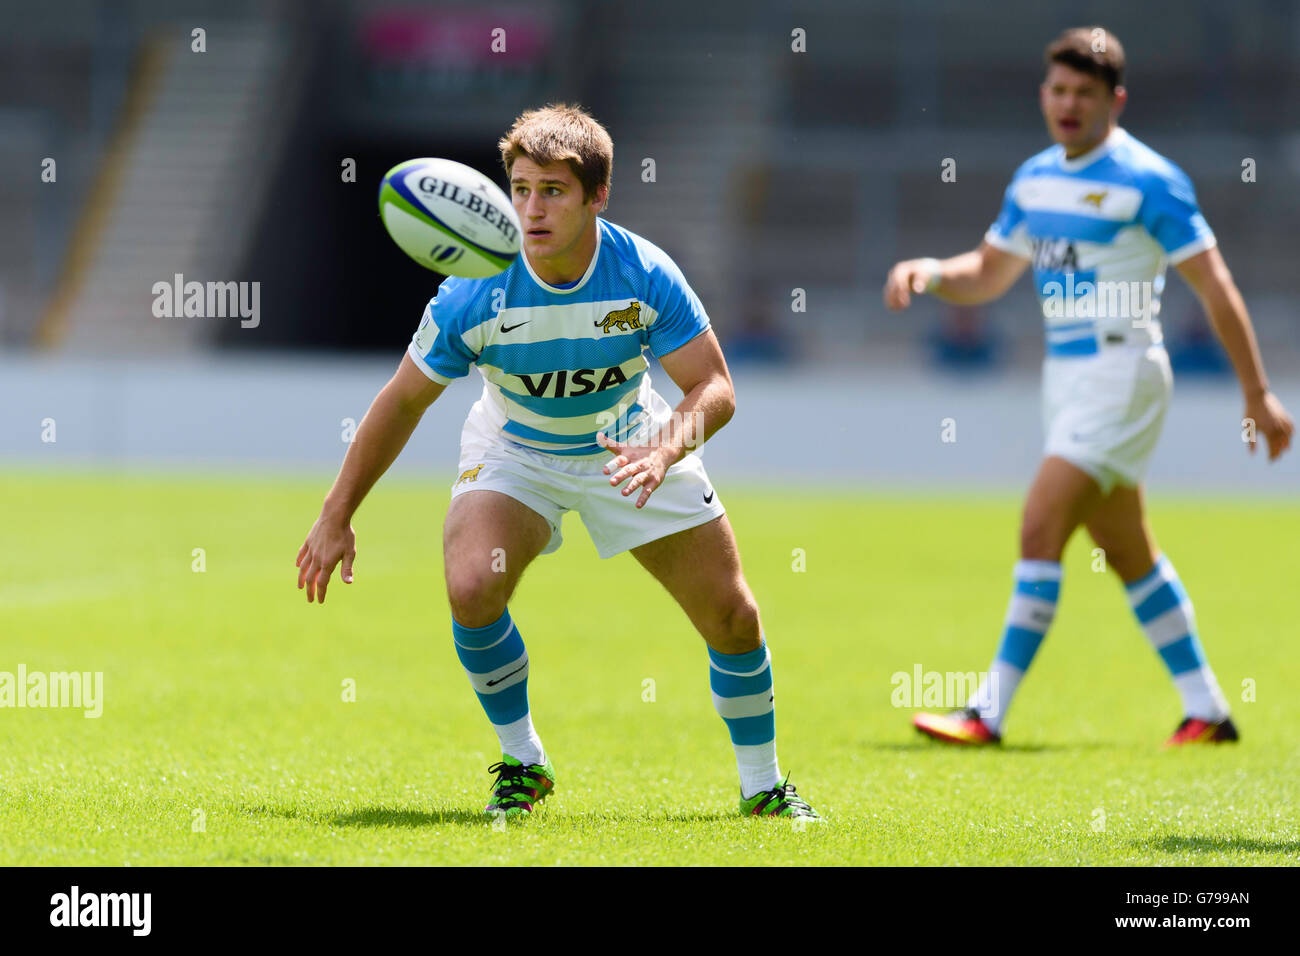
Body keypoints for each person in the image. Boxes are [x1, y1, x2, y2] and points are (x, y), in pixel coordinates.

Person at [296, 104, 818, 819]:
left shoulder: (644, 274)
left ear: (597, 196)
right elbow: (401, 402)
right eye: (519, 188)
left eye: (553, 191)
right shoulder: (472, 292)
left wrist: (664, 449)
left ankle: (764, 787)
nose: (531, 209)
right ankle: (523, 762)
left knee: (732, 616)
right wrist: (337, 514)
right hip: (516, 451)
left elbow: (716, 386)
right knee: (474, 585)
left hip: (630, 445)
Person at [883, 28, 1293, 747]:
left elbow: (1215, 287)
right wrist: (933, 272)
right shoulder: (1035, 178)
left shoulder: (1148, 180)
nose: (1069, 104)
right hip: (1065, 379)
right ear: (1044, 94)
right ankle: (1208, 710)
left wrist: (1257, 393)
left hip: (1123, 372)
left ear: (1116, 101)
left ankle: (986, 712)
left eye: (1085, 94)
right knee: (1128, 550)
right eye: (1060, 90)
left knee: (1040, 525)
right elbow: (989, 271)